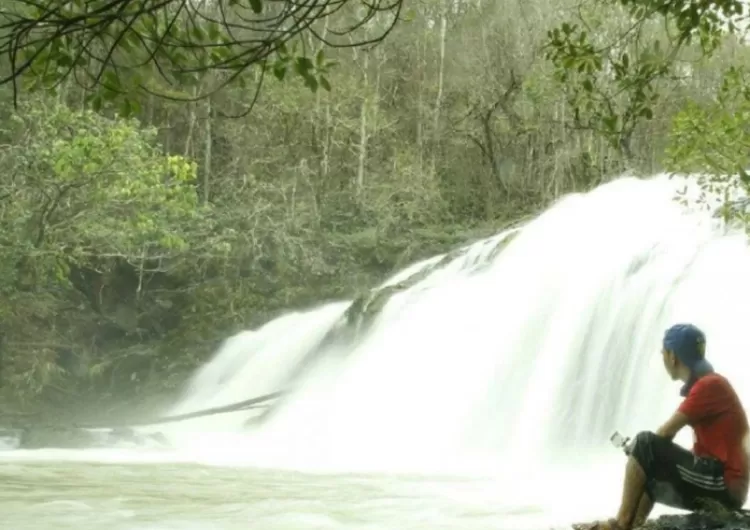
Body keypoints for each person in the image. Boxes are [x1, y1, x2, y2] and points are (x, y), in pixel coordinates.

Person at [583, 323, 749, 530]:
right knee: (651, 470)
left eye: (663, 352)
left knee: (645, 443)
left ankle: (620, 523)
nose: (662, 357)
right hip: (721, 481)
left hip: (725, 485)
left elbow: (665, 432)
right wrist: (655, 463)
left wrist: (645, 455)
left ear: (672, 356)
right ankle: (634, 525)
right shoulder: (710, 385)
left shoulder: (709, 385)